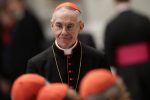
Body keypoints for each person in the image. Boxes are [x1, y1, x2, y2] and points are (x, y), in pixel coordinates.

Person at [27, 2, 110, 91]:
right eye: (59, 26)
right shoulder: (36, 65)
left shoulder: (98, 59)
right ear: (51, 25)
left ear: (81, 27)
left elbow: (109, 93)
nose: (64, 32)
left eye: (69, 26)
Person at [104, 0, 150, 99]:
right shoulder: (144, 19)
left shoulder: (111, 25)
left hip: (126, 72)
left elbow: (109, 53)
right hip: (147, 68)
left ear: (114, 2)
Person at [6, 0, 45, 82]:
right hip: (18, 68)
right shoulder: (14, 20)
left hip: (28, 66)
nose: (10, 6)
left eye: (12, 3)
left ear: (20, 3)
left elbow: (35, 44)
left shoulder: (30, 20)